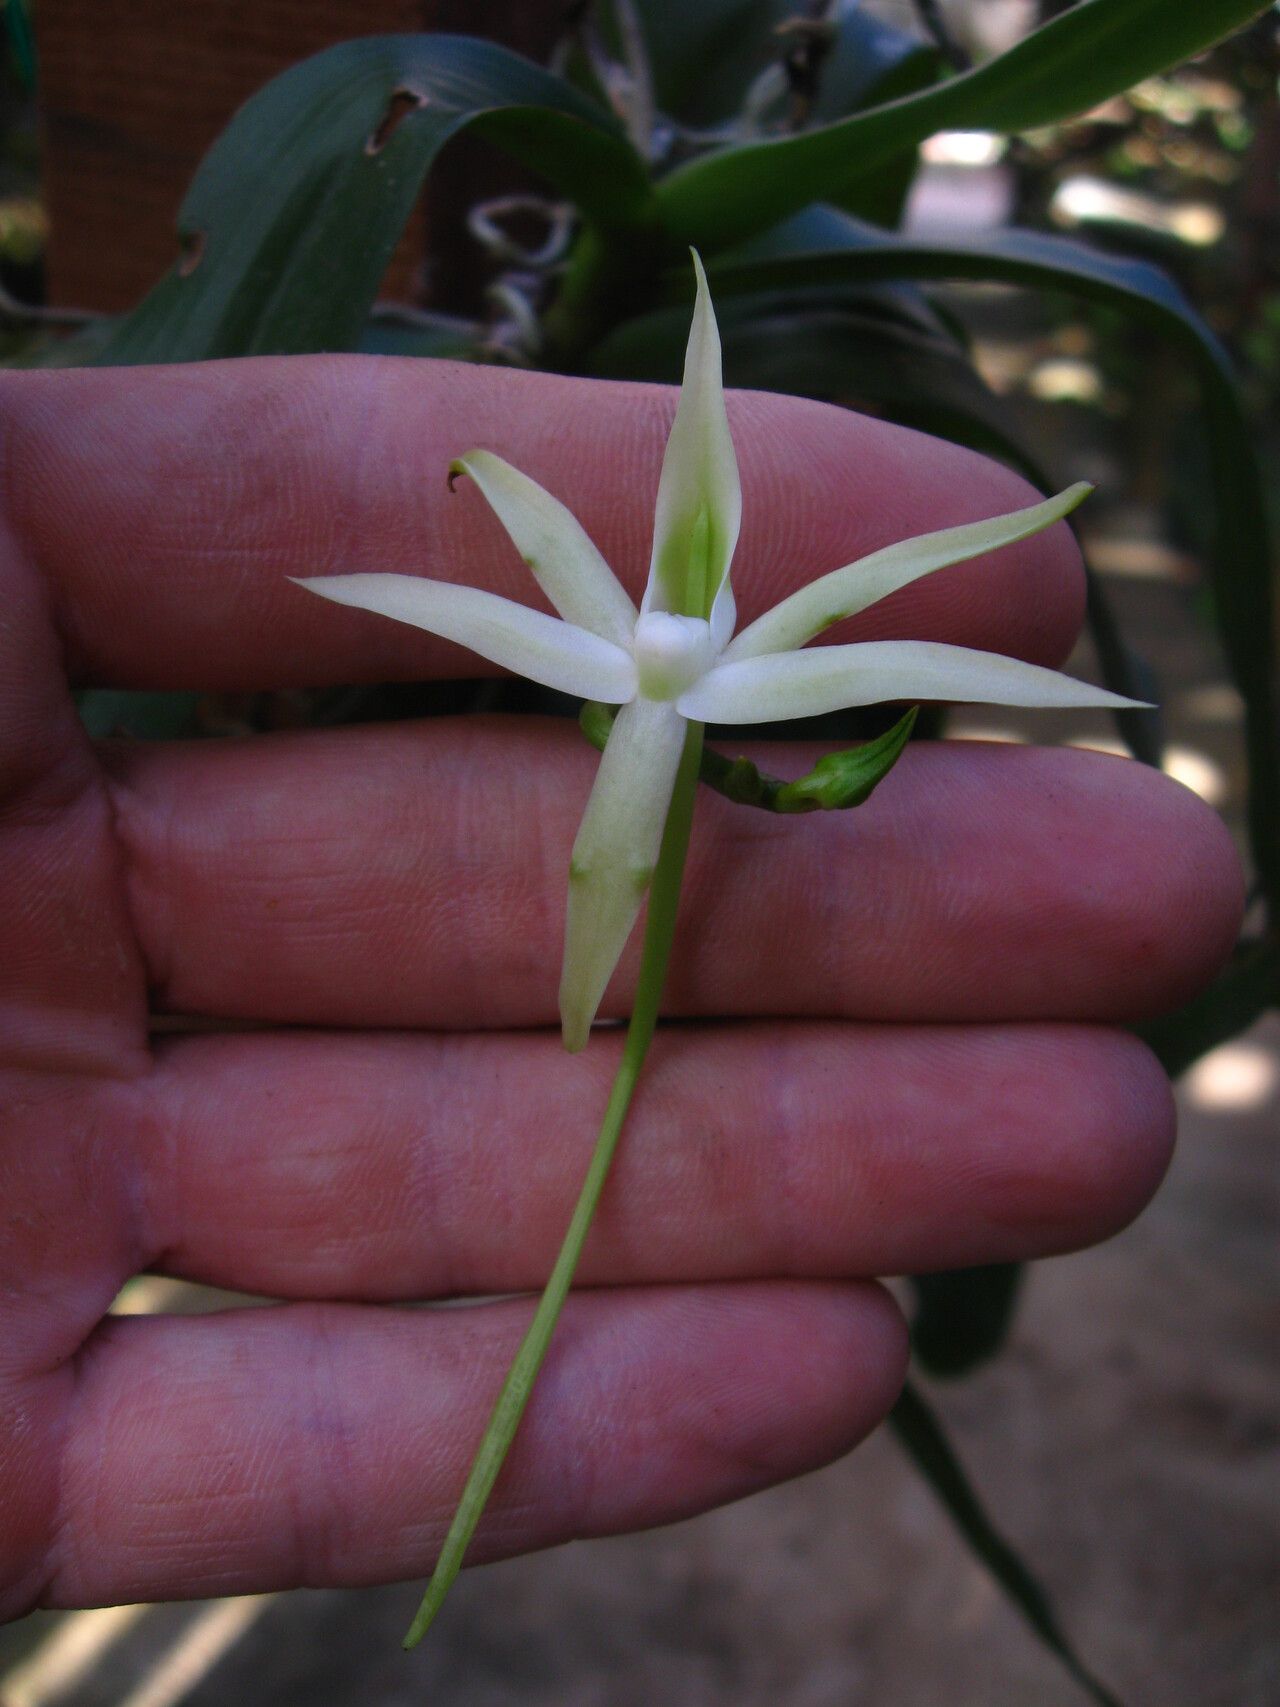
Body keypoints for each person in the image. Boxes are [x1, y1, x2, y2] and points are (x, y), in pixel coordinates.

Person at [0, 356, 1242, 1620]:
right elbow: (505, 543)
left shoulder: (713, 668)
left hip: (687, 712)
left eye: (689, 571)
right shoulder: (611, 646)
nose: (677, 577)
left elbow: (889, 599)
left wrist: (1021, 543)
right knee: (613, 921)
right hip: (650, 717)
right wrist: (487, 483)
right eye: (664, 566)